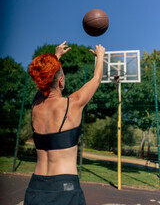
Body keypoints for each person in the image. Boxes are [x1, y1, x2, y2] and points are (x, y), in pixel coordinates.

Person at [24, 41, 105, 205]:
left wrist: (56, 56)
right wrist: (100, 56)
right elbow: (96, 79)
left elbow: (44, 82)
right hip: (65, 189)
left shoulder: (36, 105)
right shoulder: (72, 104)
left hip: (35, 187)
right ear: (60, 81)